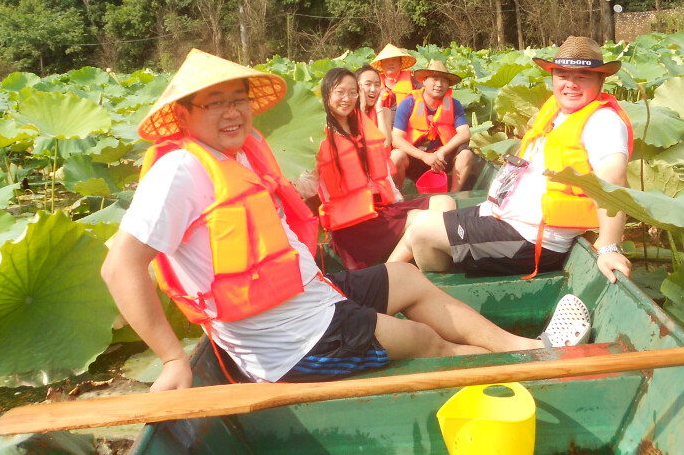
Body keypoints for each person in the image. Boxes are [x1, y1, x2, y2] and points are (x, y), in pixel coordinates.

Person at [101, 49, 592, 392]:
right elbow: (120, 267)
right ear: (184, 115)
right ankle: (526, 370)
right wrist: (171, 356)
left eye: (238, 99)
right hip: (290, 345)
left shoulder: (235, 154)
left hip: (310, 299)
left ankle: (527, 346)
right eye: (215, 103)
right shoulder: (179, 170)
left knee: (405, 276)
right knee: (422, 341)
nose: (233, 112)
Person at [388, 36, 633, 283]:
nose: (570, 84)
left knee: (421, 233)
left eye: (582, 76)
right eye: (562, 75)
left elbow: (612, 180)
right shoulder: (557, 109)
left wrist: (609, 246)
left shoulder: (603, 122)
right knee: (420, 222)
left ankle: (419, 285)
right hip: (500, 216)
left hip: (530, 238)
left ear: (601, 80)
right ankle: (390, 280)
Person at [317, 67, 456, 269]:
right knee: (426, 220)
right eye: (340, 92)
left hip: (381, 210)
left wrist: (396, 198)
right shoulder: (318, 138)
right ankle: (391, 270)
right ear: (327, 93)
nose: (346, 98)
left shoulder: (360, 125)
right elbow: (306, 184)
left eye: (352, 93)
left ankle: (392, 265)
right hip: (354, 224)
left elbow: (379, 169)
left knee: (445, 202)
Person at [390, 60, 474, 192]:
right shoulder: (409, 103)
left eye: (444, 81)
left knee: (466, 154)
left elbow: (464, 133)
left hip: (442, 158)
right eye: (434, 79)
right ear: (424, 81)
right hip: (417, 157)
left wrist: (442, 151)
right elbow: (396, 139)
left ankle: (454, 194)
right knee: (396, 156)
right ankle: (398, 195)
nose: (439, 84)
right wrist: (424, 156)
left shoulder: (454, 104)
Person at [371, 43, 420, 110]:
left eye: (394, 59)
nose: (390, 63)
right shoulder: (374, 85)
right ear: (381, 64)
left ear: (401, 63)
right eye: (386, 60)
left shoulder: (415, 83)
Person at [355, 64, 393, 146]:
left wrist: (379, 109)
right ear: (357, 87)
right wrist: (362, 109)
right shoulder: (348, 112)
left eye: (377, 85)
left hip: (380, 157)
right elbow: (357, 142)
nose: (373, 89)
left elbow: (385, 144)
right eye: (368, 84)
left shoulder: (385, 112)